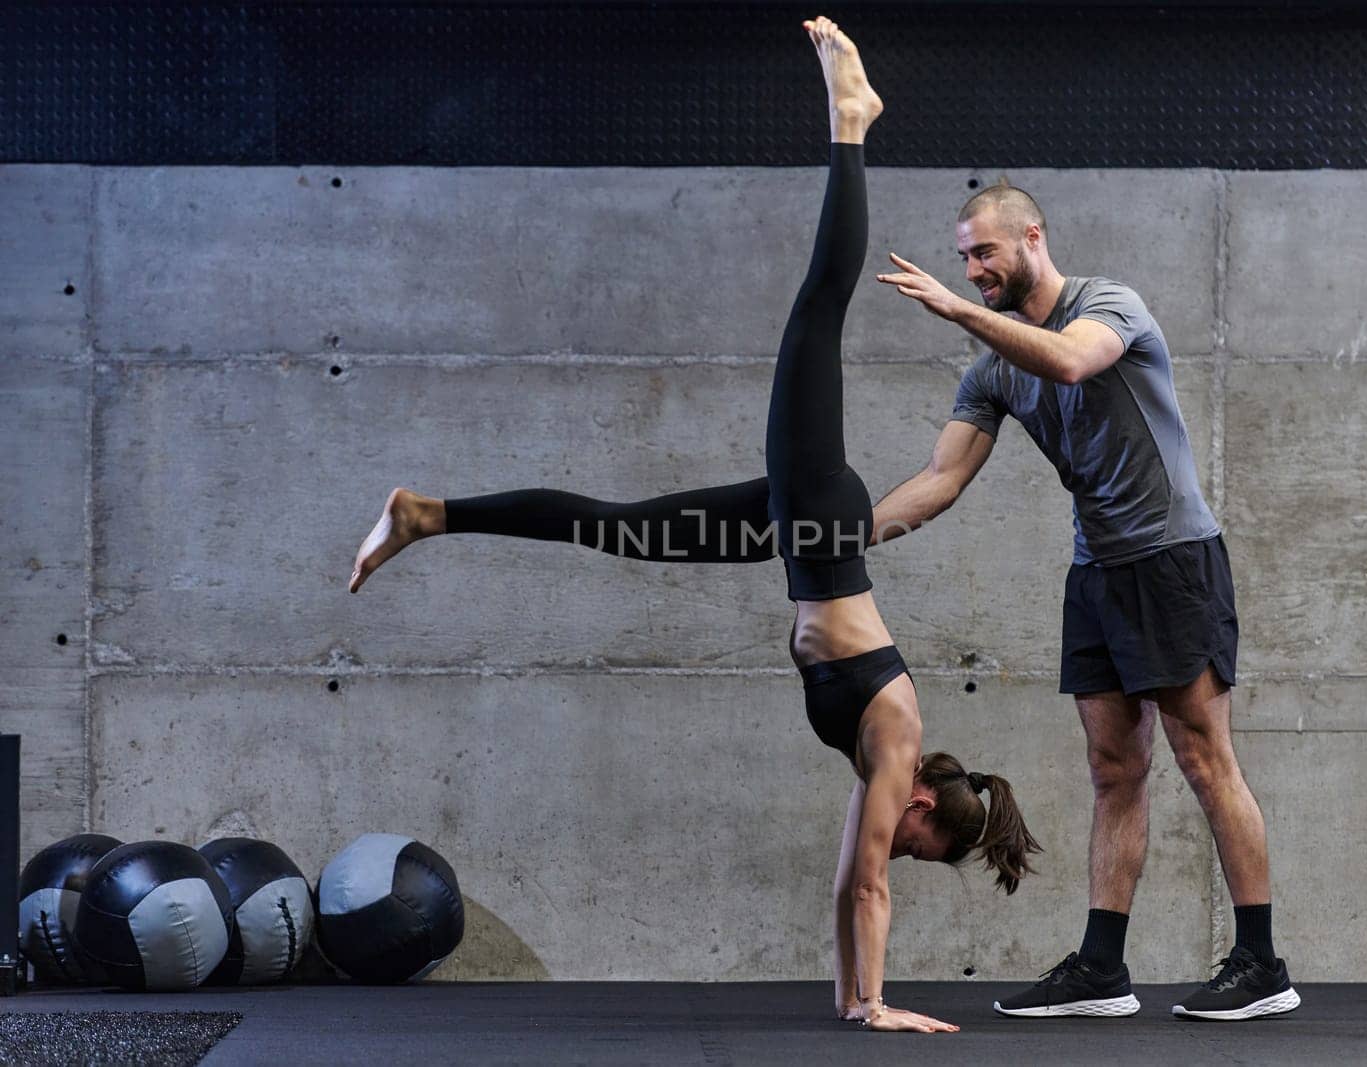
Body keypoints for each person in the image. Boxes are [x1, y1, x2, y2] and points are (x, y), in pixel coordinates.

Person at [347, 17, 1039, 1033]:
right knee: (817, 310)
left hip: (802, 532)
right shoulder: (895, 743)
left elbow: (850, 880)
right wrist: (885, 1003)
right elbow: (868, 888)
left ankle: (428, 513)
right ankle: (851, 122)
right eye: (920, 846)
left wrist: (859, 1002)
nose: (900, 847)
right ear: (928, 810)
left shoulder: (879, 768)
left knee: (622, 530)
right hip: (813, 525)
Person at [872, 183, 1299, 1021]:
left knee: (1205, 759)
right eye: (963, 256)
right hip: (1096, 571)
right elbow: (941, 478)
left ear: (1032, 237)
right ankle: (1103, 968)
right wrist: (843, 534)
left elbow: (1070, 359)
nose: (973, 269)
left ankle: (1262, 962)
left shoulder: (1110, 305)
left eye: (984, 252)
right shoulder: (992, 370)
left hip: (1172, 557)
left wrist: (958, 311)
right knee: (1113, 770)